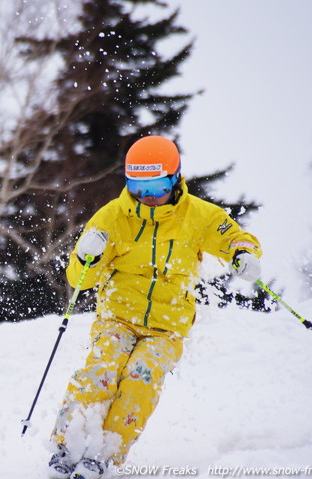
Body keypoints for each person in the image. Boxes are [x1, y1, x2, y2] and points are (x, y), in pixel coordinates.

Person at [47, 135, 262, 479]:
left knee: (140, 378)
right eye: (138, 186)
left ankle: (105, 452)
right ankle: (67, 444)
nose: (147, 196)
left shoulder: (199, 216)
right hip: (117, 317)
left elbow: (233, 237)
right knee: (102, 370)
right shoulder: (113, 217)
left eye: (157, 185)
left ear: (176, 178)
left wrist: (242, 254)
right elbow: (80, 279)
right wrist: (87, 254)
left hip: (167, 327)